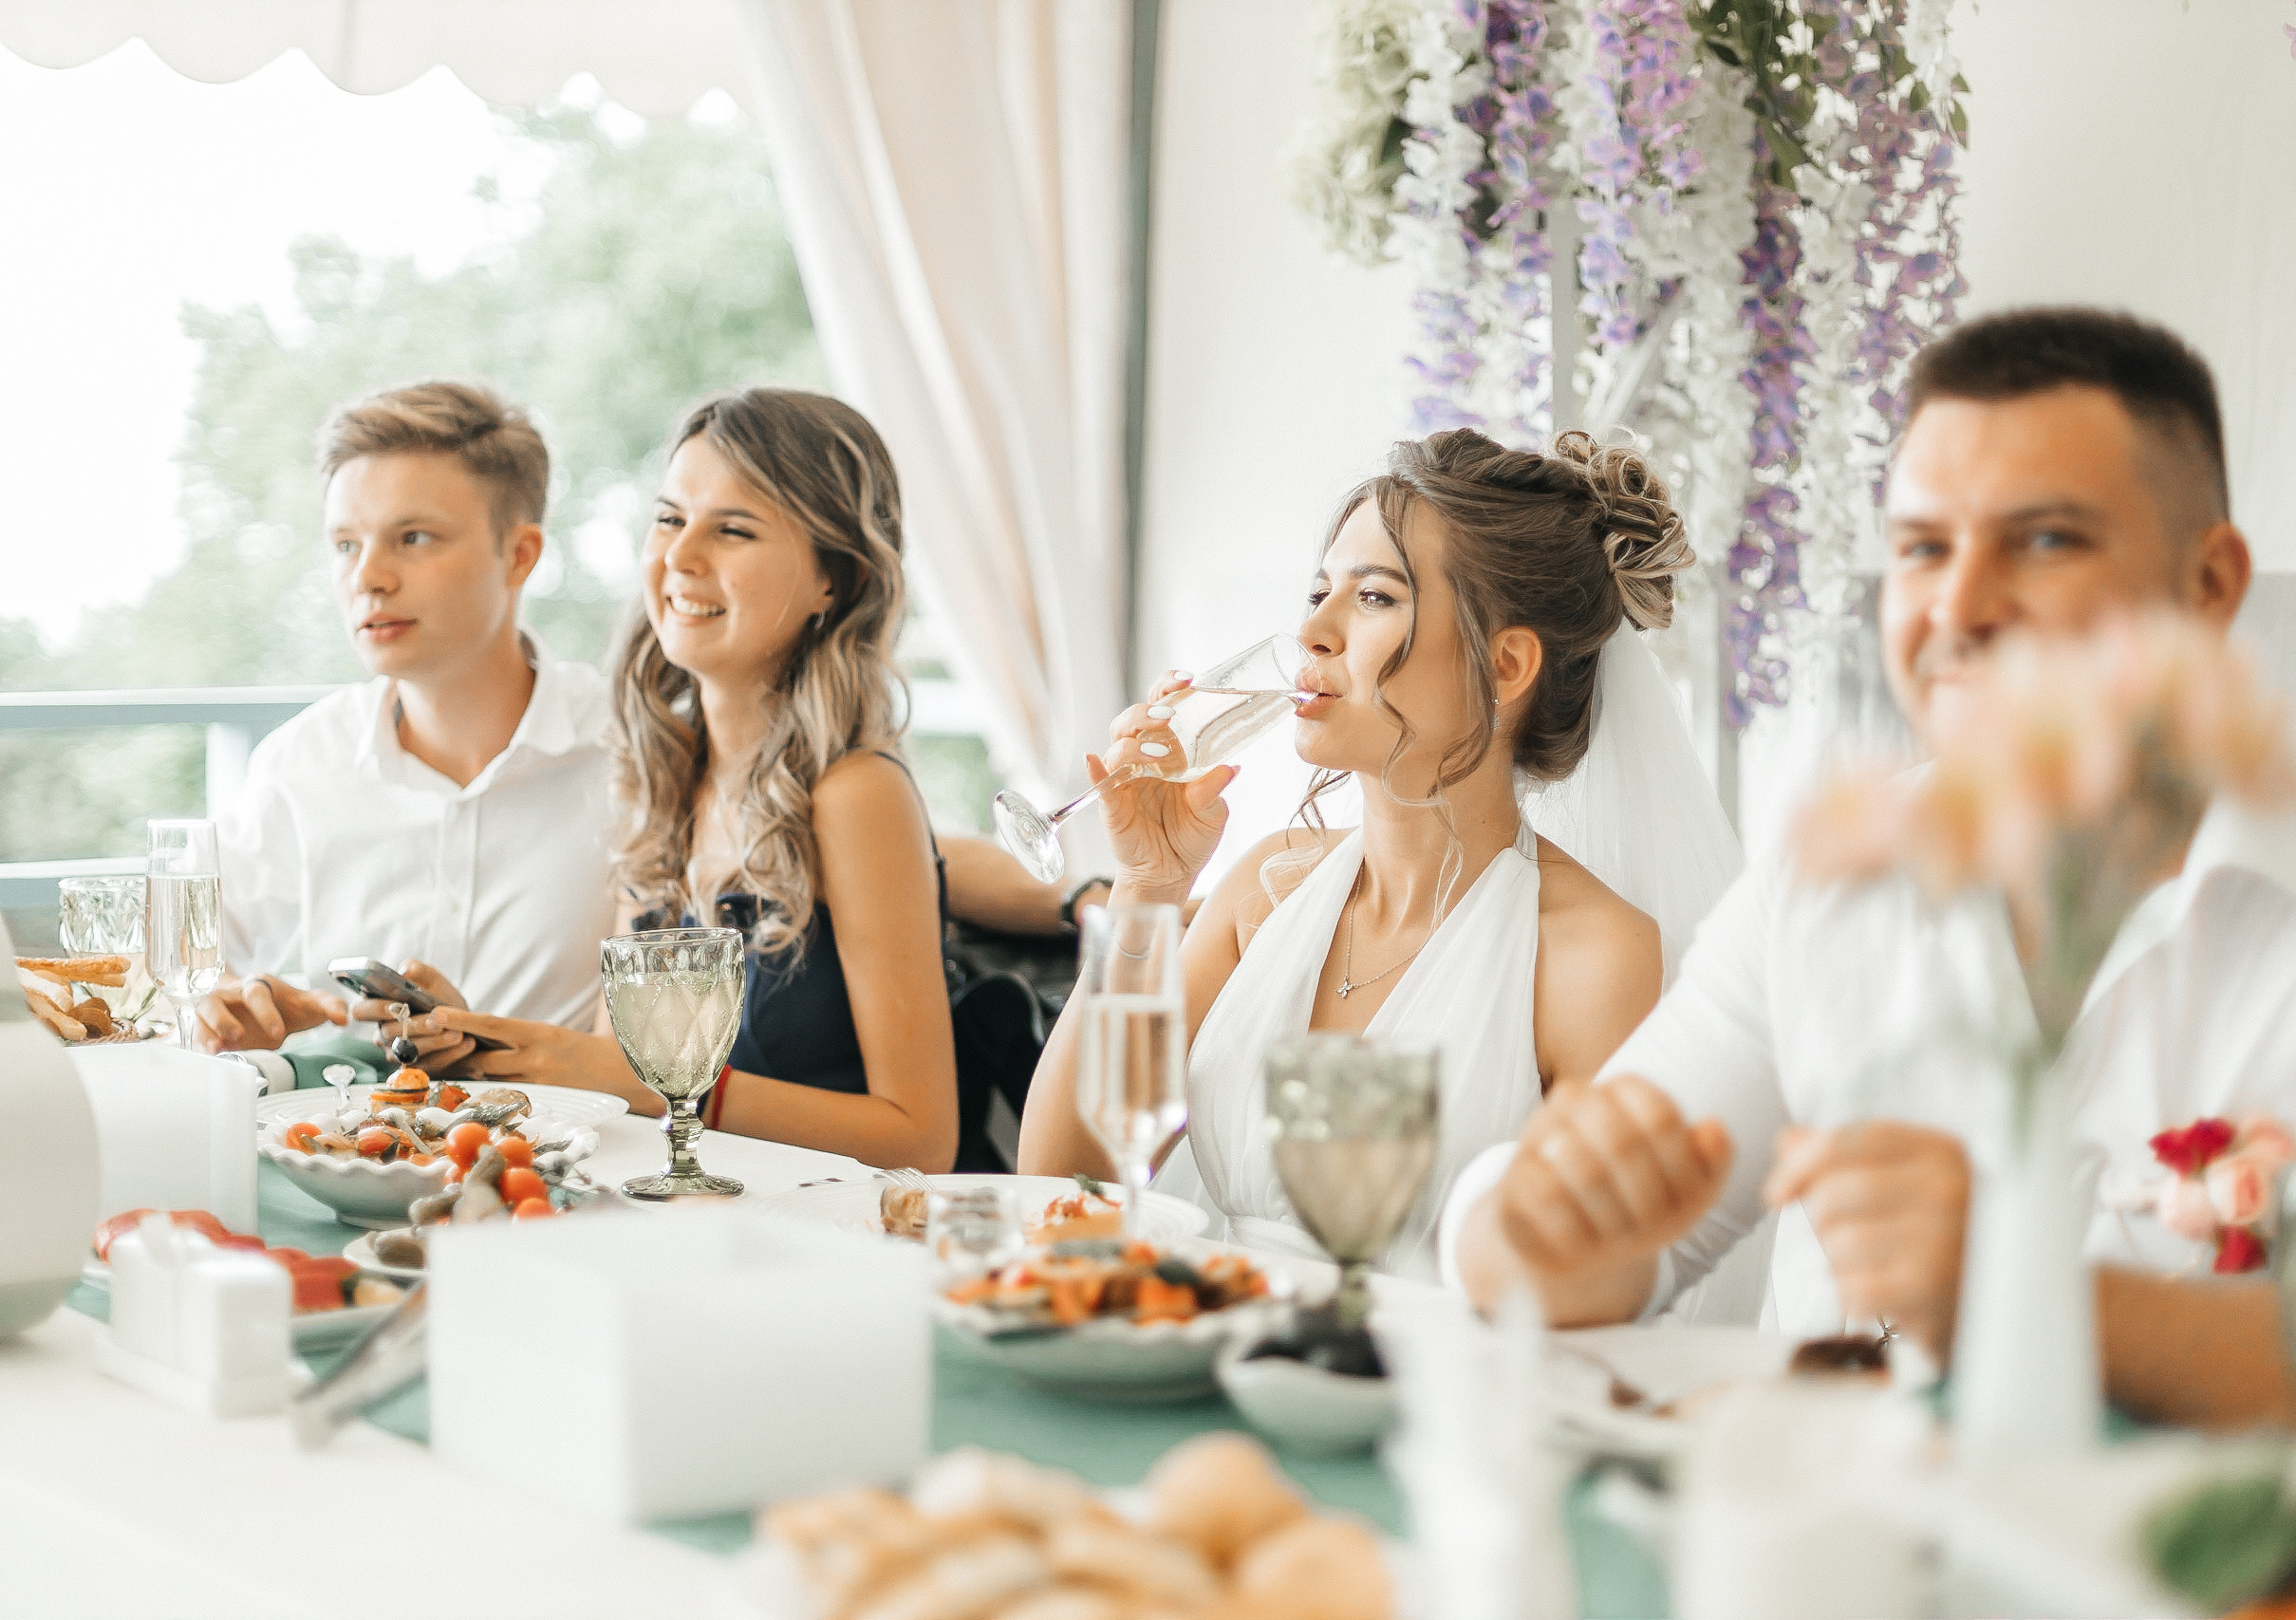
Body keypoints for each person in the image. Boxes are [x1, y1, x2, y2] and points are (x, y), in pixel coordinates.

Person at [1447, 307, 2296, 1429]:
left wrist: (2013, 1295)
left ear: (2208, 586)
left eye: (2044, 540)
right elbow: (1547, 1247)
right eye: (1921, 548)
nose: (1957, 607)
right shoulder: (1826, 877)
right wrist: (1540, 1226)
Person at [1017, 429, 1744, 1280]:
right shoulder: (1267, 888)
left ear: (1505, 664)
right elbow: (1065, 1180)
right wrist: (1148, 885)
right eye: (1320, 590)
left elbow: (1591, 1284)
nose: (1312, 631)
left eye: (1374, 599)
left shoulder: (1593, 952)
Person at [420, 389, 961, 1171]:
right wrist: (488, 1045)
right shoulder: (665, 774)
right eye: (670, 518)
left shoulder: (855, 792)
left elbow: (920, 1138)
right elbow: (622, 1072)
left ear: (832, 582)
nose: (679, 556)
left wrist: (668, 1087)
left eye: (733, 530)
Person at [196, 382, 614, 1069]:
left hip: (572, 1157)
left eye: (412, 538)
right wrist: (240, 1005)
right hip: (338, 1153)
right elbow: (186, 978)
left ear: (520, 555)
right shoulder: (300, 764)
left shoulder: (631, 749)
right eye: (344, 544)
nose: (369, 577)